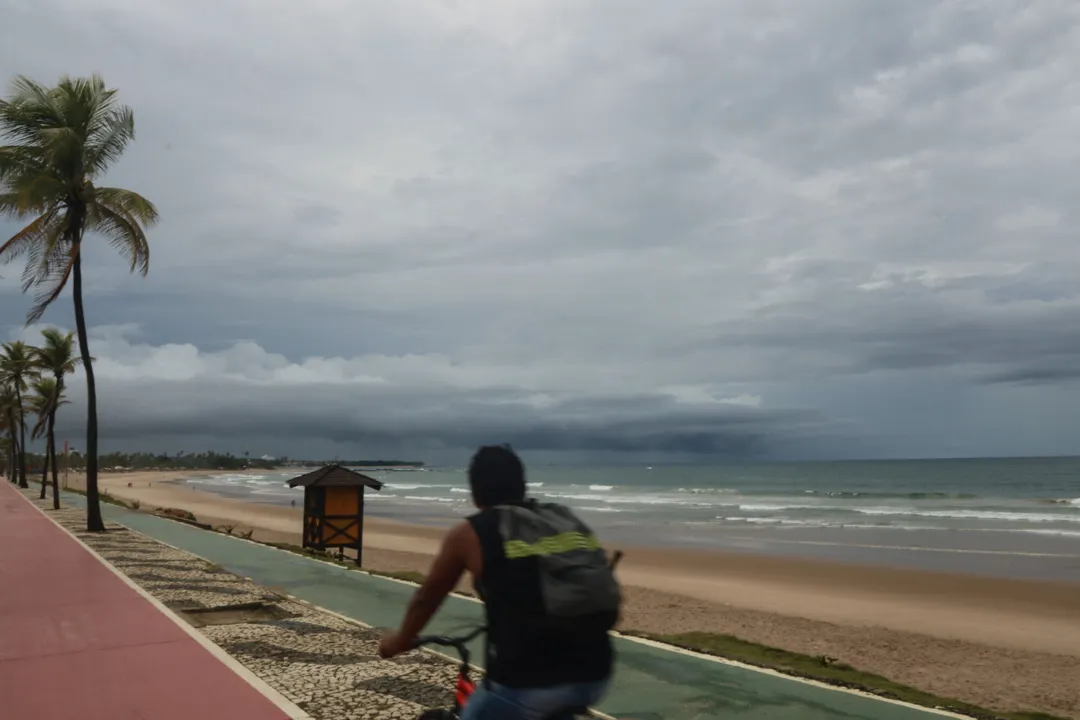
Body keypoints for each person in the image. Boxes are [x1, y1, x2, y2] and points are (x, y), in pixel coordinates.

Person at [379, 445, 620, 720]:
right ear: (522, 485)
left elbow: (427, 598)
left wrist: (399, 641)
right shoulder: (563, 519)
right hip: (595, 674)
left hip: (526, 684)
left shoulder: (471, 533)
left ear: (474, 492)